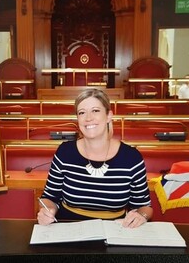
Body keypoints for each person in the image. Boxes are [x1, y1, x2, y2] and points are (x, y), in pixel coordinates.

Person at [37, 88, 153, 228]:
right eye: (82, 113)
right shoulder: (64, 152)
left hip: (116, 231)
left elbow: (144, 206)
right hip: (68, 228)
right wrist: (47, 211)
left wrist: (142, 216)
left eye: (95, 111)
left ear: (109, 115)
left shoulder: (131, 157)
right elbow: (49, 197)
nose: (88, 118)